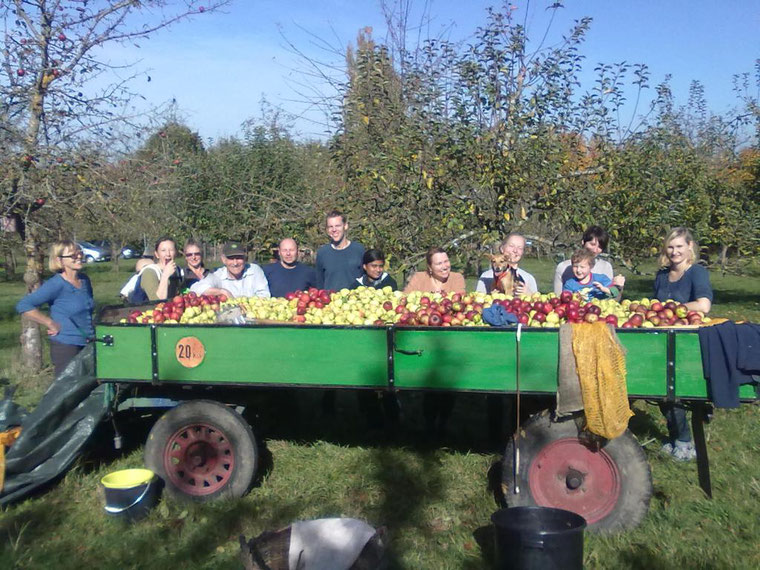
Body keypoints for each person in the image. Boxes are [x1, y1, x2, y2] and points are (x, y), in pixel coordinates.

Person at [654, 227, 713, 461]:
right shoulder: (661, 275)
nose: (674, 251)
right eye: (670, 246)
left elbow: (704, 305)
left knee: (674, 391)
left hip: (688, 340)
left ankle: (685, 441)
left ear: (690, 247)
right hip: (663, 338)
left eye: (679, 246)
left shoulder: (696, 272)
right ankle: (676, 435)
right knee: (660, 390)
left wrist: (672, 308)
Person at [404, 247, 466, 435]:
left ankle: (443, 422)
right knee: (429, 384)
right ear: (429, 267)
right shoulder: (419, 278)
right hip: (424, 337)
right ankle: (428, 423)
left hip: (449, 338)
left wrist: (430, 303)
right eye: (439, 263)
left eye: (446, 261)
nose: (445, 266)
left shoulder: (457, 278)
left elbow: (460, 303)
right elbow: (405, 299)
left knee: (447, 384)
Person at [16, 240, 94, 378]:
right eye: (73, 255)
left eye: (79, 253)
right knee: (65, 391)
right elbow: (24, 305)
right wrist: (49, 323)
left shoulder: (85, 280)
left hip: (89, 343)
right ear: (60, 260)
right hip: (66, 346)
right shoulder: (56, 284)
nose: (79, 257)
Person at [554, 226, 625, 294]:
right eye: (592, 244)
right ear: (583, 242)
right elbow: (557, 297)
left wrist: (619, 287)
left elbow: (612, 298)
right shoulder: (563, 267)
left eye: (600, 247)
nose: (595, 250)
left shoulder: (605, 267)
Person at [191, 241, 270, 299]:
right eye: (231, 258)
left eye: (239, 258)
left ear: (245, 258)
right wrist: (222, 291)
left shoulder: (254, 270)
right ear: (223, 259)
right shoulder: (218, 275)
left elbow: (264, 295)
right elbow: (195, 289)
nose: (235, 263)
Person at [315, 210, 365, 291]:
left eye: (337, 226)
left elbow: (366, 279)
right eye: (330, 227)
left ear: (345, 226)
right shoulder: (322, 253)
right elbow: (319, 284)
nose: (334, 230)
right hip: (330, 302)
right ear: (327, 230)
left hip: (354, 301)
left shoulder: (358, 250)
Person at [140, 236, 184, 301]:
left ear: (176, 253)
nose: (168, 254)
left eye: (171, 250)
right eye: (163, 250)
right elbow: (157, 302)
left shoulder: (178, 271)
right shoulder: (149, 272)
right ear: (157, 254)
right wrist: (165, 276)